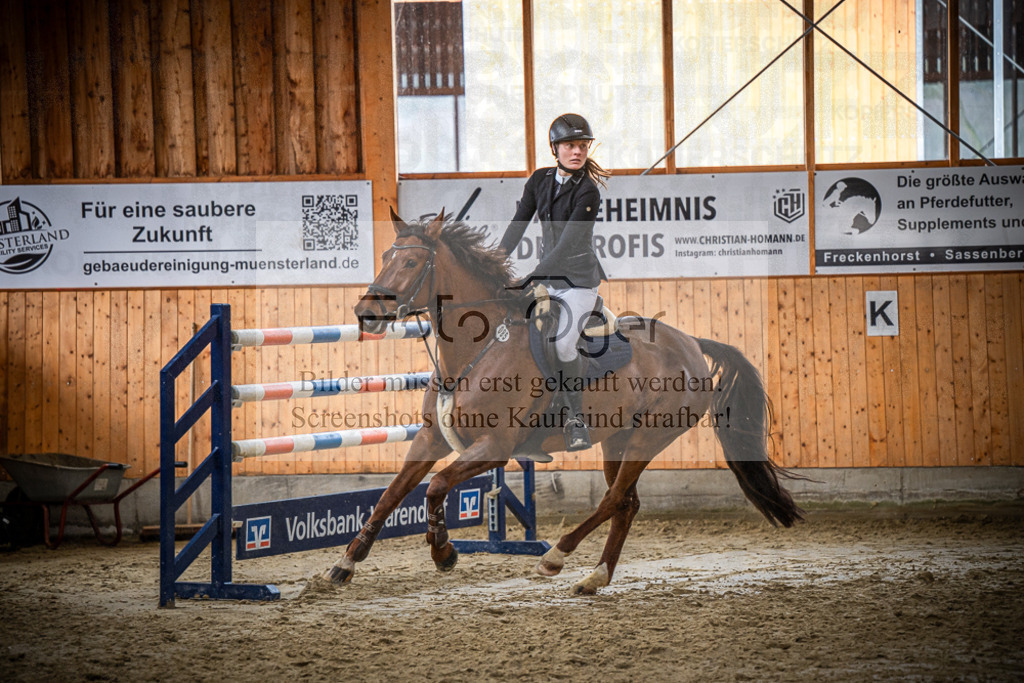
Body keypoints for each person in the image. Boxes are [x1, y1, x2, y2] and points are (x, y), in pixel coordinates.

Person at [499, 113, 611, 452]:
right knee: (518, 331)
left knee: (563, 345)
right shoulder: (539, 180)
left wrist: (529, 279)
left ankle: (575, 419)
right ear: (555, 149)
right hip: (548, 276)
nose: (576, 152)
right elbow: (518, 223)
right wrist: (492, 264)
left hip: (577, 281)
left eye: (581, 146)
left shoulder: (589, 192)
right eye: (569, 146)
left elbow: (565, 249)